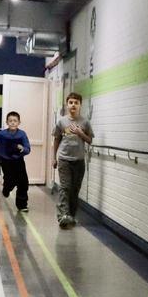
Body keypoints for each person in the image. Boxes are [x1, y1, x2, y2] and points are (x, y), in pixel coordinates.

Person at [52, 92, 94, 228]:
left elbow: (90, 140)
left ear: (80, 105)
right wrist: (54, 157)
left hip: (79, 161)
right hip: (64, 159)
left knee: (75, 190)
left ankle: (71, 215)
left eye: (76, 102)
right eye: (71, 102)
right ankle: (63, 215)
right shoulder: (61, 121)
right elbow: (57, 139)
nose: (73, 105)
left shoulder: (85, 122)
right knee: (65, 187)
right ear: (67, 104)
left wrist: (80, 133)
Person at [0, 111, 31, 212]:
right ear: (7, 122)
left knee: (23, 183)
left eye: (15, 121)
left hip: (18, 161)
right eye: (10, 121)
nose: (13, 123)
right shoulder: (1, 134)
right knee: (10, 180)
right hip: (6, 161)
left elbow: (28, 148)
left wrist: (23, 148)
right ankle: (6, 189)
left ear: (19, 122)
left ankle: (22, 205)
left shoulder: (22, 134)